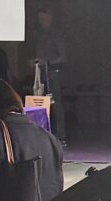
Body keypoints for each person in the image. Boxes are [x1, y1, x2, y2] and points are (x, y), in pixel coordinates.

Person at [33, 8, 66, 142]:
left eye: (43, 19)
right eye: (39, 19)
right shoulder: (40, 36)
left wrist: (46, 61)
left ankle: (61, 137)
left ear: (50, 19)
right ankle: (42, 135)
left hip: (53, 74)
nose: (41, 22)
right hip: (41, 74)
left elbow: (63, 57)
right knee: (40, 104)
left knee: (56, 105)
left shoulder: (56, 36)